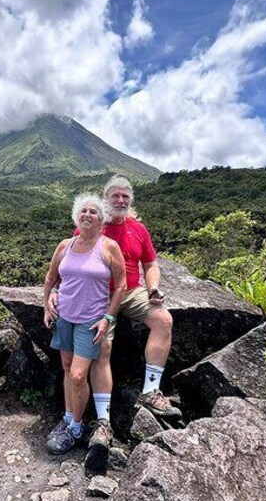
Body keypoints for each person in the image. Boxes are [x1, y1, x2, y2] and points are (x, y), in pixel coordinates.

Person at [48, 175, 181, 424]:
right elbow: (69, 262)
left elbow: (150, 264)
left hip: (130, 291)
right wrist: (56, 290)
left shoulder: (138, 229)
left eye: (125, 196)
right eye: (115, 196)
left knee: (164, 319)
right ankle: (103, 418)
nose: (120, 200)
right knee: (102, 348)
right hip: (98, 297)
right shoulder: (94, 223)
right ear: (105, 199)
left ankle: (151, 391)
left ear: (130, 200)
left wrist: (153, 288)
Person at [42, 193, 127, 455]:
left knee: (79, 374)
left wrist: (108, 317)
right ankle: (69, 419)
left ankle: (76, 428)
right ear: (77, 217)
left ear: (101, 220)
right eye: (83, 211)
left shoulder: (108, 247)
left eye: (93, 211)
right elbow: (50, 278)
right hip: (65, 316)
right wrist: (47, 303)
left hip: (91, 320)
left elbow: (121, 284)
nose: (87, 215)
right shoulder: (65, 245)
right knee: (67, 368)